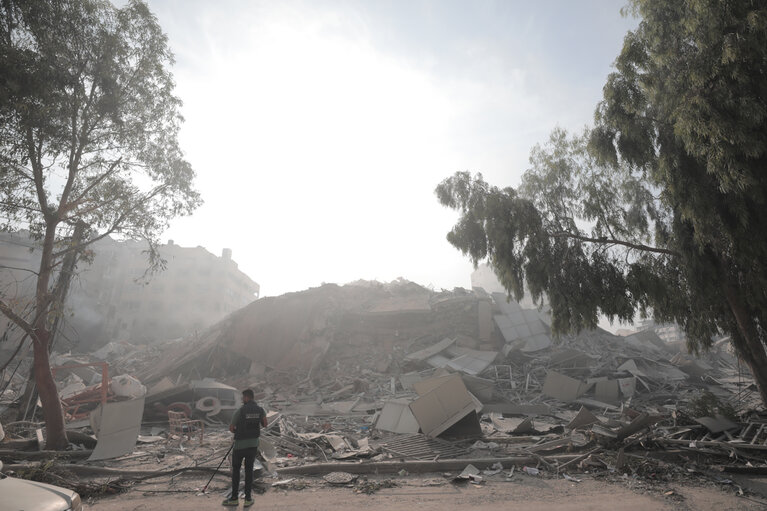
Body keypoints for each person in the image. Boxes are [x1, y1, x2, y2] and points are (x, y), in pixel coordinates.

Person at [222, 388, 267, 507]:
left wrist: (239, 430)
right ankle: (248, 499)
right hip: (252, 446)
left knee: (236, 471)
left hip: (240, 446)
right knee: (249, 471)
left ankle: (234, 499)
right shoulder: (260, 410)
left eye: (243, 397)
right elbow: (265, 424)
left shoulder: (240, 411)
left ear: (247, 397)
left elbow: (231, 428)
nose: (242, 400)